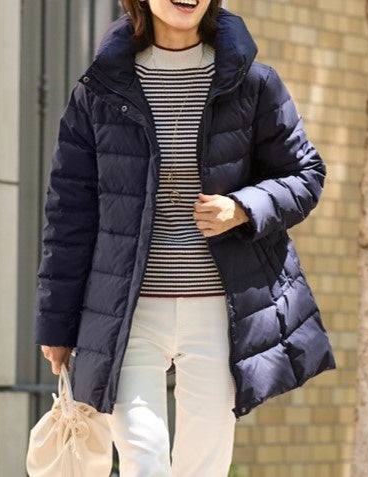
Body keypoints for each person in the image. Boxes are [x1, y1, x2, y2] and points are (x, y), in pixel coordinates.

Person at [35, 0, 336, 475]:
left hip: (220, 310)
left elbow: (305, 174)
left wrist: (243, 208)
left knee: (204, 465)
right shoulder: (99, 90)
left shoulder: (253, 82)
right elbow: (69, 216)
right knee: (144, 459)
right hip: (127, 314)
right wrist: (56, 325)